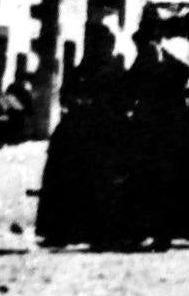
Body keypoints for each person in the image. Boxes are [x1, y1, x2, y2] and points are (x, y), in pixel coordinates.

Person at [36, 25, 130, 248]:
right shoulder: (81, 70)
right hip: (78, 132)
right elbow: (65, 95)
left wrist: (101, 107)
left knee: (102, 184)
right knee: (67, 182)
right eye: (97, 44)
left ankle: (102, 233)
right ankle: (62, 231)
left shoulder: (117, 72)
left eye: (104, 44)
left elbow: (124, 100)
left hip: (105, 133)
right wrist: (77, 103)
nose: (101, 49)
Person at [125, 27, 189, 248]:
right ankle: (154, 233)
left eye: (143, 45)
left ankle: (156, 233)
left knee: (154, 182)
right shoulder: (171, 62)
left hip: (157, 132)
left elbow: (131, 87)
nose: (141, 48)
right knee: (161, 183)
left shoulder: (156, 61)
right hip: (170, 130)